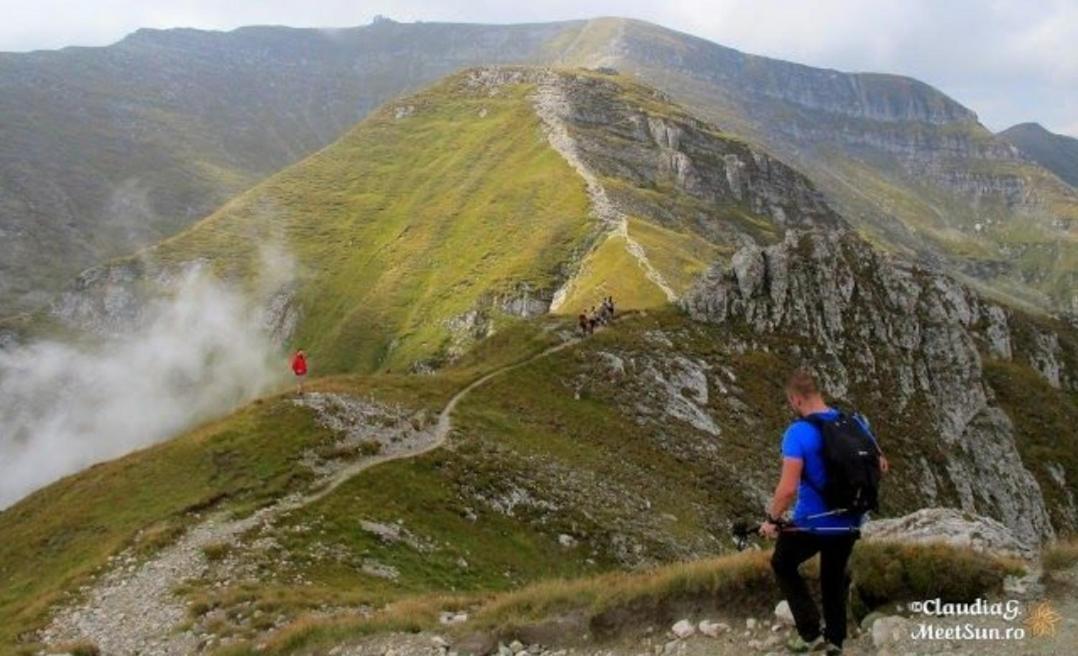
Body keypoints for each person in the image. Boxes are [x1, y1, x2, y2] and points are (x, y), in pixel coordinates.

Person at [759, 369, 888, 655]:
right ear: (819, 392)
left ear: (796, 399)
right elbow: (881, 465)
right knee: (833, 576)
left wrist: (772, 520)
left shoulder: (798, 433)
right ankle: (835, 642)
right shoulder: (856, 422)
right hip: (851, 521)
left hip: (813, 522)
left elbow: (787, 488)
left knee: (782, 563)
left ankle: (810, 633)